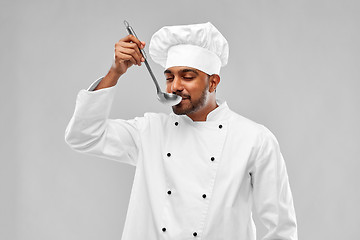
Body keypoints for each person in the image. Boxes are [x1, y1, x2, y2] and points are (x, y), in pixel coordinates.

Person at [65, 22, 298, 240]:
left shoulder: (254, 139)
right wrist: (115, 72)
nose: (175, 86)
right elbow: (84, 136)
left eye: (187, 76)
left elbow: (281, 228)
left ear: (213, 82)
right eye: (169, 78)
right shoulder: (150, 131)